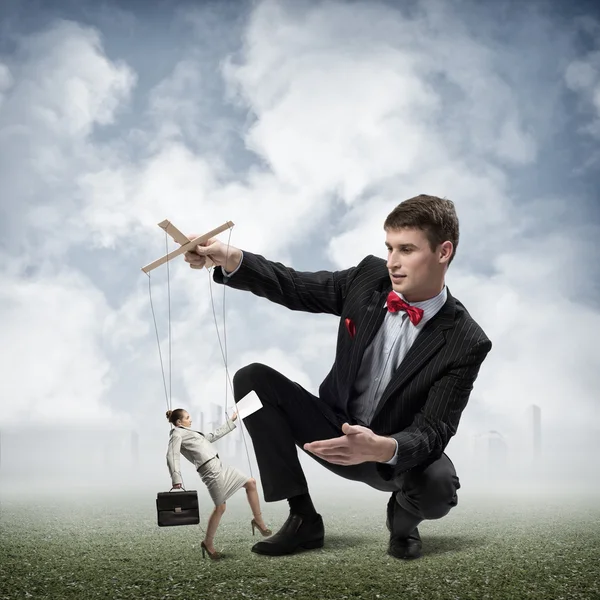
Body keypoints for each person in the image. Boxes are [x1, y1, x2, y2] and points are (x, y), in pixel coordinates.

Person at [182, 194, 492, 560]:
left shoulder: (466, 339)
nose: (392, 262)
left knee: (439, 486)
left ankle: (402, 526)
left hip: (391, 455)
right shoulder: (368, 278)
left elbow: (434, 429)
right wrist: (232, 258)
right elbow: (295, 285)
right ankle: (303, 518)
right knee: (253, 381)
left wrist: (383, 447)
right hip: (332, 429)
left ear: (443, 252)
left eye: (406, 249)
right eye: (390, 247)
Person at [166, 408, 272, 560]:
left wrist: (231, 421)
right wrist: (176, 478)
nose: (191, 420)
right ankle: (207, 543)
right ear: (179, 422)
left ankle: (258, 521)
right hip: (209, 471)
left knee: (251, 483)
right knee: (220, 508)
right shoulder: (176, 433)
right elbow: (172, 455)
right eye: (188, 417)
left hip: (219, 466)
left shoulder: (192, 433)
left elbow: (211, 436)